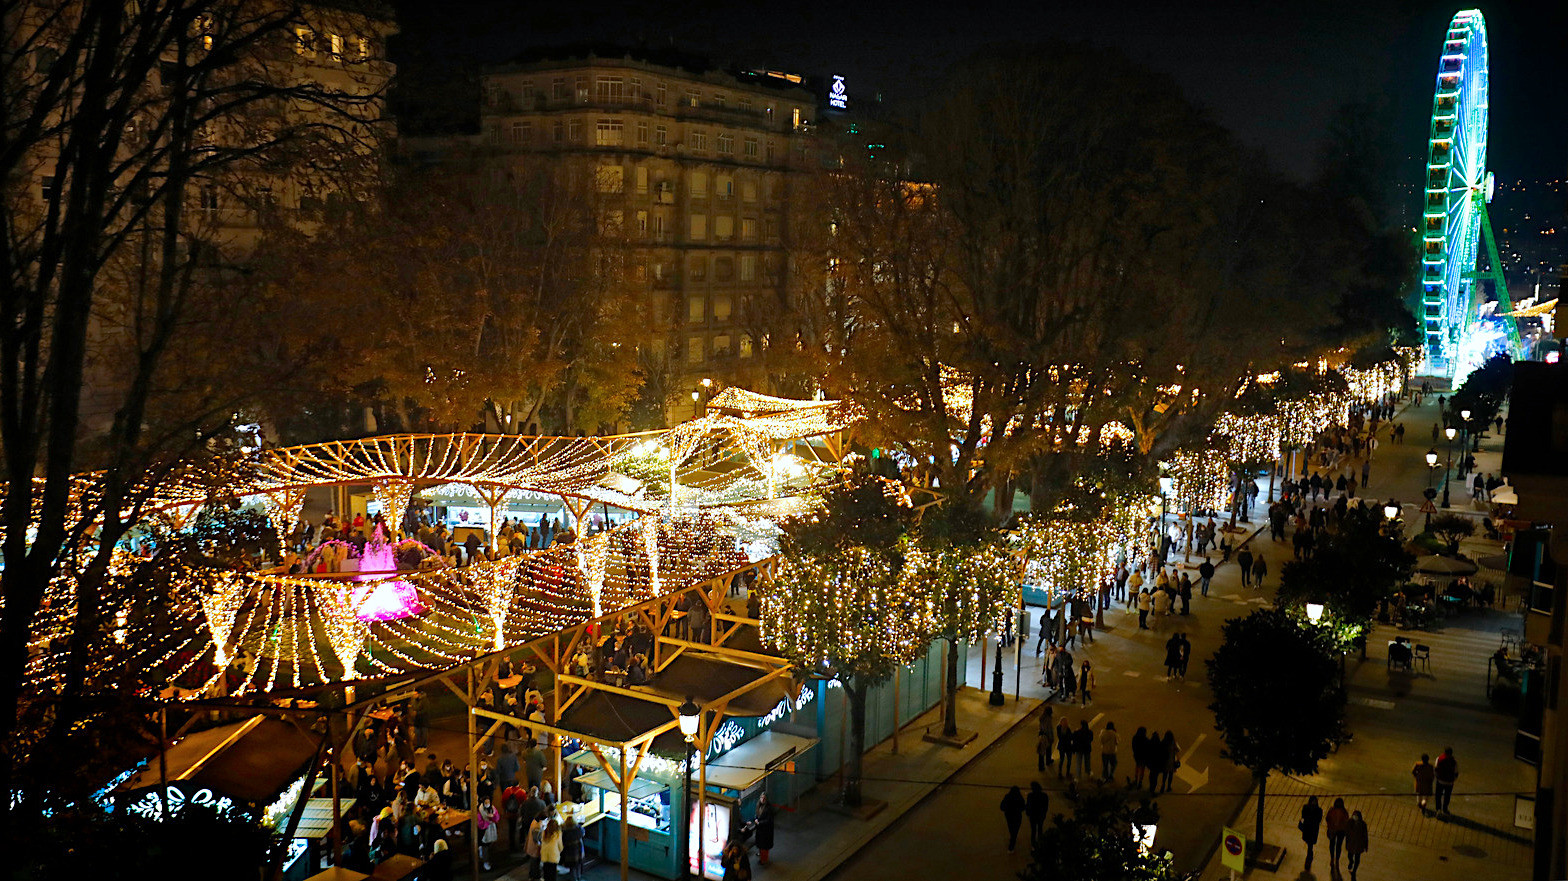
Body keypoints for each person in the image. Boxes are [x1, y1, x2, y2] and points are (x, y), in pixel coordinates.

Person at [1299, 795, 1323, 869]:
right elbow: (1303, 815)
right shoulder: (1306, 807)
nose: (1314, 803)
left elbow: (1319, 819)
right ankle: (1310, 853)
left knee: (1310, 843)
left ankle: (1309, 855)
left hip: (1312, 829)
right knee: (1309, 841)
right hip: (1308, 828)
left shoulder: (1318, 810)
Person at [753, 790, 777, 865]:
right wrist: (756, 819)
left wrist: (759, 823)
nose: (762, 799)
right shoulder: (759, 805)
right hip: (760, 829)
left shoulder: (769, 808)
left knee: (764, 846)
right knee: (761, 844)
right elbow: (757, 814)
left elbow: (769, 820)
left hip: (766, 830)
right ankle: (761, 855)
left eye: (764, 798)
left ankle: (763, 859)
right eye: (761, 798)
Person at [1325, 796, 1350, 868]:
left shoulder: (1332, 810)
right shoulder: (1344, 812)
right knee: (1337, 846)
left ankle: (1334, 859)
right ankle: (1335, 859)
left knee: (1333, 845)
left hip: (1335, 830)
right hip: (1340, 831)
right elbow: (1346, 821)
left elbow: (1327, 818)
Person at [476, 796, 500, 871]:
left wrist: (493, 816)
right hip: (484, 832)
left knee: (490, 845)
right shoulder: (480, 811)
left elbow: (497, 818)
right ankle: (485, 861)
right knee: (485, 846)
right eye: (486, 802)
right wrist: (488, 822)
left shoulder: (493, 808)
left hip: (491, 830)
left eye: (488, 802)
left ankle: (484, 854)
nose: (487, 804)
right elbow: (480, 824)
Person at [1000, 785, 1026, 852]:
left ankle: (1012, 841)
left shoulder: (1007, 797)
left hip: (1009, 816)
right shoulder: (1020, 798)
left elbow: (1002, 807)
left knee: (1011, 828)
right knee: (1015, 829)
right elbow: (1023, 807)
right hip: (1017, 816)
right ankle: (1012, 842)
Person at [1346, 809, 1369, 879]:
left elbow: (1365, 835)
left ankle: (1354, 871)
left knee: (1357, 858)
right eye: (1354, 815)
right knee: (1349, 855)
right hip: (1351, 843)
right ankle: (1351, 861)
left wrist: (1366, 845)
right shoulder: (1350, 822)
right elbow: (1347, 833)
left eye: (1356, 815)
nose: (1355, 817)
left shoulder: (1363, 824)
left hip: (1359, 844)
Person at [1434, 747, 1458, 814]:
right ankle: (1445, 809)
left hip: (1440, 781)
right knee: (1447, 796)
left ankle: (1438, 809)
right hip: (1450, 782)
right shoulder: (1454, 761)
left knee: (1438, 795)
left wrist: (1437, 777)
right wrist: (1453, 780)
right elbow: (1456, 773)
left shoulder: (1439, 759)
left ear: (1444, 752)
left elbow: (1436, 769)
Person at [560, 815, 584, 881]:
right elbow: (583, 832)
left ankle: (574, 879)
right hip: (579, 851)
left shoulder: (565, 832)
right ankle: (579, 877)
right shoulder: (579, 829)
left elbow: (562, 841)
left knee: (572, 868)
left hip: (570, 853)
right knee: (578, 866)